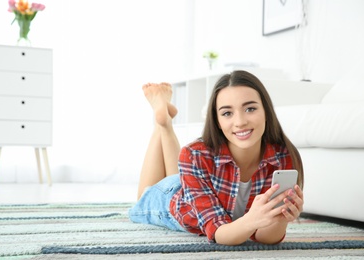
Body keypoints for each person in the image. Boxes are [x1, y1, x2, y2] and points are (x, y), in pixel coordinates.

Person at [129, 70, 304, 245]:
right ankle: (161, 124)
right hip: (170, 200)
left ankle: (165, 121)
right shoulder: (194, 155)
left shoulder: (283, 156)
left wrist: (281, 218)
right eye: (227, 113)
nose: (240, 122)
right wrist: (252, 219)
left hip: (195, 183)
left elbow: (264, 238)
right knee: (141, 201)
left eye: (250, 109)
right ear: (217, 121)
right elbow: (220, 234)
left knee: (179, 171)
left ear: (266, 111)